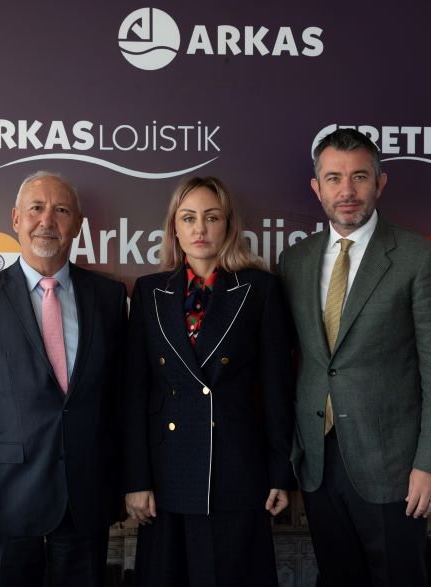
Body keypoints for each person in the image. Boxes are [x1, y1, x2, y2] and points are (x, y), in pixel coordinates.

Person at [278, 128, 431, 586]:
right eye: (334, 178)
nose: (347, 190)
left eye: (359, 176)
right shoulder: (294, 261)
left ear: (379, 183)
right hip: (317, 462)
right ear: (316, 187)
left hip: (394, 465)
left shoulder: (420, 259)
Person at [0, 171, 128, 586]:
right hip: (6, 506)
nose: (47, 220)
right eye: (36, 209)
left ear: (77, 224)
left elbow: (122, 400)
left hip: (87, 502)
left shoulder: (109, 298)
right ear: (16, 219)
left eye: (61, 210)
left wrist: (127, 483)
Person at [123, 176, 294, 586]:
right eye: (189, 218)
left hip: (236, 470)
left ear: (228, 224)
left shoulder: (259, 289)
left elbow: (277, 391)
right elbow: (134, 394)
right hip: (167, 474)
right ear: (174, 227)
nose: (200, 228)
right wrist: (136, 480)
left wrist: (280, 475)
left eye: (212, 217)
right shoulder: (149, 292)